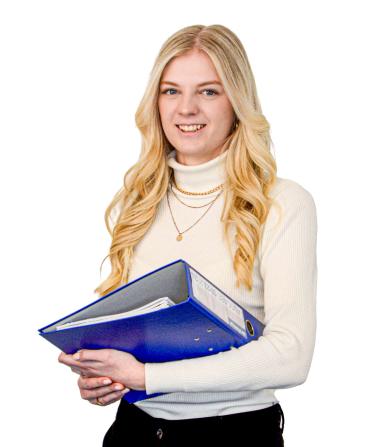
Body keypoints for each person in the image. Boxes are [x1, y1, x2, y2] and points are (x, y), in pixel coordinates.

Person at [58, 24, 317, 446]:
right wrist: (107, 377)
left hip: (233, 436)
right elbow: (138, 336)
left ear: (238, 101)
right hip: (134, 430)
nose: (186, 108)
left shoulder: (282, 203)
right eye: (171, 91)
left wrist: (146, 376)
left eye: (209, 91)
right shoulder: (138, 200)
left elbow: (291, 356)